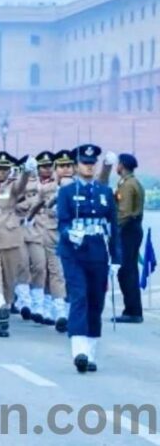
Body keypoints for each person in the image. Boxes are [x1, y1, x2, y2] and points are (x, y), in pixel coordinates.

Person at [56, 144, 120, 373]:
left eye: (92, 163)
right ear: (76, 166)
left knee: (96, 301)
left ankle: (91, 353)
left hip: (98, 252)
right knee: (79, 296)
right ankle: (79, 351)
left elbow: (113, 226)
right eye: (85, 163)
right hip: (74, 252)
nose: (89, 167)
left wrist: (116, 258)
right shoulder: (66, 192)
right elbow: (62, 222)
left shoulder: (104, 193)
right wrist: (68, 233)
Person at [113, 153, 145, 323]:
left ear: (122, 165)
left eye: (118, 163)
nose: (116, 166)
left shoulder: (127, 185)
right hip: (133, 228)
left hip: (127, 230)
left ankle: (132, 311)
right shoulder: (133, 182)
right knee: (130, 270)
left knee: (126, 271)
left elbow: (124, 213)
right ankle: (134, 310)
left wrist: (113, 229)